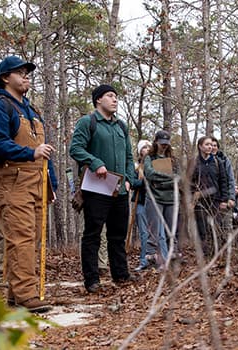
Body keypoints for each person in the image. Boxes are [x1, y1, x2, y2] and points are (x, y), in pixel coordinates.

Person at [0, 55, 58, 312]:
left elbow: (43, 150)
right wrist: (29, 154)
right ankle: (26, 295)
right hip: (10, 178)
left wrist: (51, 184)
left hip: (35, 180)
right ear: (4, 78)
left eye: (27, 73)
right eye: (19, 72)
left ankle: (16, 294)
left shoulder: (31, 110)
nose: (26, 77)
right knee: (20, 236)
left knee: (29, 237)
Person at [69, 84, 139, 293]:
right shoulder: (87, 122)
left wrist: (128, 179)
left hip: (120, 190)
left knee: (118, 234)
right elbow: (76, 148)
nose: (115, 100)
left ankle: (121, 274)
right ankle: (92, 280)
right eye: (110, 96)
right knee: (93, 233)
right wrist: (94, 162)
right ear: (98, 100)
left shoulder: (121, 126)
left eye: (116, 96)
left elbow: (128, 156)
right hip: (96, 188)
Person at [190, 136, 229, 258]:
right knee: (202, 229)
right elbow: (188, 184)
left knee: (215, 228)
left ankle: (216, 254)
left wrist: (224, 200)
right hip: (200, 202)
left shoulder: (218, 163)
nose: (210, 147)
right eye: (207, 144)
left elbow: (224, 182)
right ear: (200, 146)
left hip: (216, 201)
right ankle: (204, 255)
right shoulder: (194, 163)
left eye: (211, 145)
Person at [143, 130, 175, 262]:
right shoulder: (149, 158)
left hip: (170, 198)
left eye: (166, 143)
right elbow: (150, 174)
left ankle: (171, 256)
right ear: (156, 142)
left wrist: (160, 181)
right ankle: (151, 257)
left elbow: (178, 178)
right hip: (154, 199)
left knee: (170, 230)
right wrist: (168, 177)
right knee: (154, 230)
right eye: (162, 143)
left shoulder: (172, 160)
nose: (164, 146)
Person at [132, 140, 161, 271]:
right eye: (144, 147)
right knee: (144, 233)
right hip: (142, 202)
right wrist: (143, 181)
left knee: (156, 232)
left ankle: (157, 259)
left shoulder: (157, 164)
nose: (147, 149)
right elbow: (132, 183)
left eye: (149, 146)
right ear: (139, 151)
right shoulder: (136, 166)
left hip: (156, 202)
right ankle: (144, 261)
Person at [210, 137, 236, 235]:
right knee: (212, 230)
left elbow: (231, 180)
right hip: (211, 201)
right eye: (210, 145)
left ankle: (229, 249)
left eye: (215, 146)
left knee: (226, 229)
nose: (212, 148)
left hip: (225, 199)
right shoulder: (202, 161)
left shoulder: (225, 161)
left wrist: (231, 198)